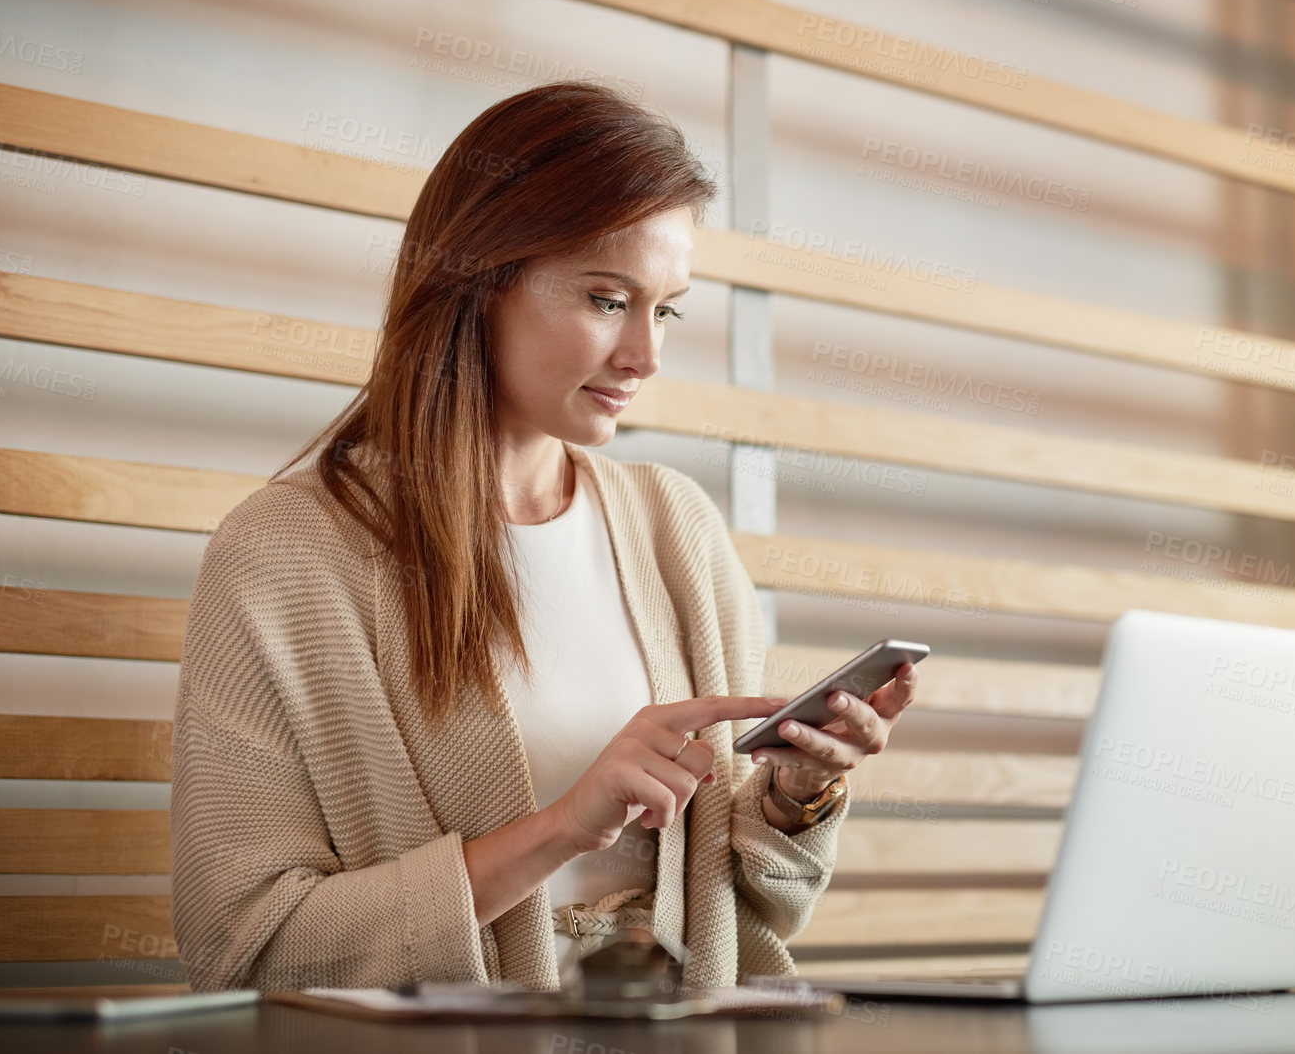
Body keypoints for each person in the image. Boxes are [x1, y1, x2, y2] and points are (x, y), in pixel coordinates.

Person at [169, 82, 918, 992]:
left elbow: (750, 913)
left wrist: (800, 798)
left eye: (666, 308)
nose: (646, 355)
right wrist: (565, 823)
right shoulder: (281, 554)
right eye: (608, 299)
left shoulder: (677, 529)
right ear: (477, 281)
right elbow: (243, 946)